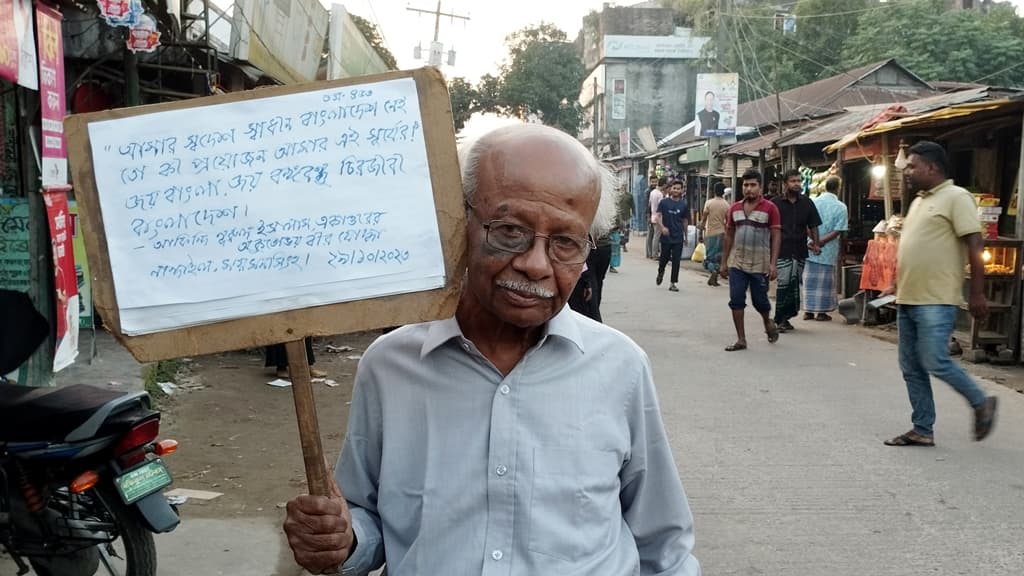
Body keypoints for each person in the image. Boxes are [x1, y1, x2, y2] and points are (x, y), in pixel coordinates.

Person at [283, 124, 701, 575]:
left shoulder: (620, 368)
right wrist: (344, 540)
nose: (536, 264)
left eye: (565, 242)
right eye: (509, 230)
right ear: (459, 224)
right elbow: (368, 520)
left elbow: (665, 547)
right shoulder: (390, 367)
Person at [882, 141, 997, 447]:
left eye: (912, 165)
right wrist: (896, 283)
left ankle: (980, 402)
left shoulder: (957, 197)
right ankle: (922, 428)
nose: (907, 171)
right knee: (911, 367)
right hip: (909, 297)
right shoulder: (919, 200)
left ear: (932, 167)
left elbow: (975, 245)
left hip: (936, 299)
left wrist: (977, 293)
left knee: (934, 360)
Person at [720, 168, 781, 352]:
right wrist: (724, 262)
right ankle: (741, 339)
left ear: (760, 187)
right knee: (736, 299)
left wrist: (773, 263)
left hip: (760, 263)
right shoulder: (734, 208)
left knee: (759, 301)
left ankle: (767, 322)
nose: (749, 189)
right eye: (746, 185)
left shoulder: (770, 208)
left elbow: (776, 235)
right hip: (737, 262)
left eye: (753, 185)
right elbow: (729, 235)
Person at [772, 168, 821, 333]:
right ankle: (778, 319)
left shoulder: (807, 202)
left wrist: (816, 243)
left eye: (799, 181)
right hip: (782, 249)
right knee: (784, 283)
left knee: (794, 285)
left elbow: (813, 225)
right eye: (793, 181)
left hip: (800, 249)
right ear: (785, 183)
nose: (797, 184)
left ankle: (786, 318)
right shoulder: (775, 203)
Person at [802, 176, 848, 321]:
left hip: (811, 247)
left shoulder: (813, 202)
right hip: (827, 249)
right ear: (837, 188)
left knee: (809, 280)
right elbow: (838, 230)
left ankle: (808, 311)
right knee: (825, 281)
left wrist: (814, 241)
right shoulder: (841, 207)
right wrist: (821, 241)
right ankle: (821, 312)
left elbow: (805, 224)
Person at [656, 180, 689, 292]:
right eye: (674, 188)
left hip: (678, 236)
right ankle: (661, 271)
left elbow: (685, 221)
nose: (676, 190)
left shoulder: (684, 204)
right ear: (671, 189)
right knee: (664, 258)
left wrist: (686, 236)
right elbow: (658, 216)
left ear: (682, 190)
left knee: (676, 261)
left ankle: (673, 283)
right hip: (666, 236)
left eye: (678, 188)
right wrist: (662, 228)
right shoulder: (664, 203)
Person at [701, 182, 731, 286]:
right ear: (723, 192)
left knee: (709, 258)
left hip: (710, 233)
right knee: (719, 257)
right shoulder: (727, 205)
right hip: (722, 233)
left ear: (714, 191)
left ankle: (713, 271)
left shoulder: (709, 203)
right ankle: (715, 277)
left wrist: (700, 233)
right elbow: (728, 222)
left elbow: (703, 220)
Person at [646, 177, 666, 260]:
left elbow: (649, 204)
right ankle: (655, 255)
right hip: (658, 217)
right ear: (664, 185)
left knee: (651, 236)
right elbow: (661, 207)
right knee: (656, 237)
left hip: (652, 216)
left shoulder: (652, 192)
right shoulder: (660, 194)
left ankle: (649, 253)